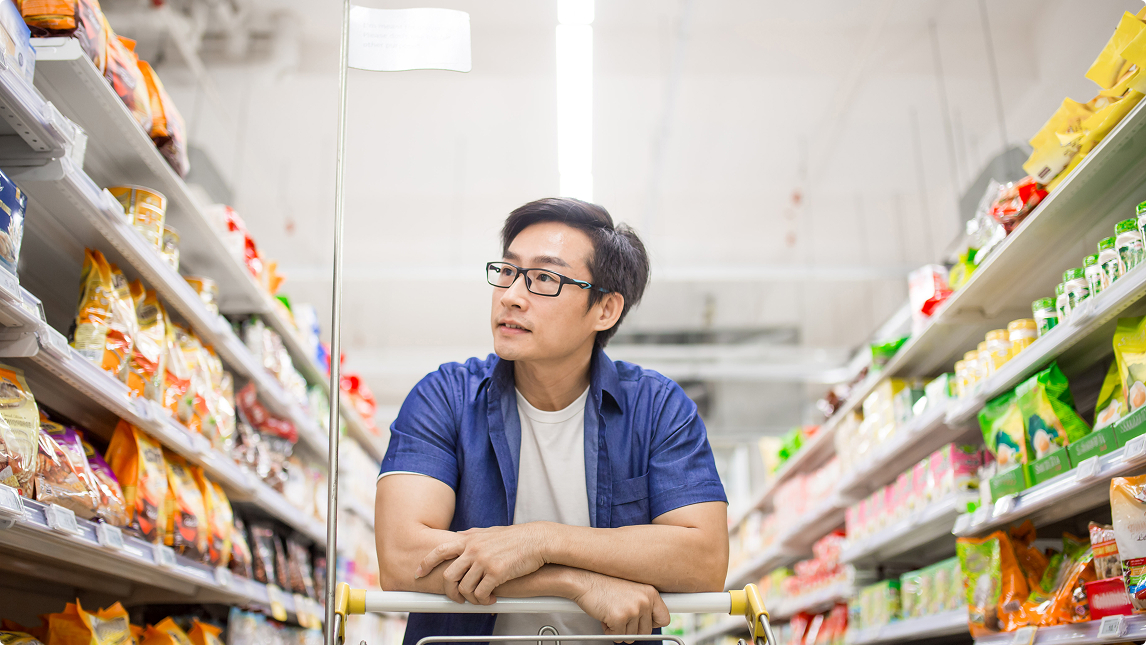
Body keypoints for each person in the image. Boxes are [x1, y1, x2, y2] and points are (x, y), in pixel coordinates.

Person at [375, 197, 728, 643]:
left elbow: (704, 560)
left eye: (544, 278)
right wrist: (573, 582)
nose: (511, 296)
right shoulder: (445, 397)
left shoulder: (658, 409)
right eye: (507, 272)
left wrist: (541, 541)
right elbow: (402, 557)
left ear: (605, 309)